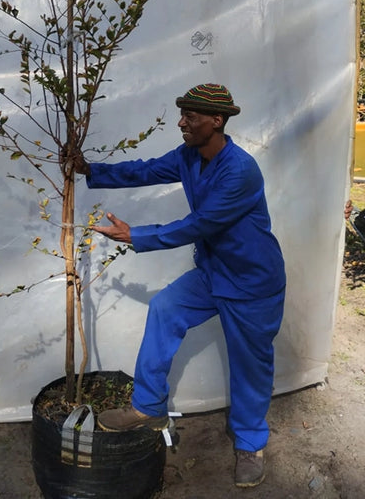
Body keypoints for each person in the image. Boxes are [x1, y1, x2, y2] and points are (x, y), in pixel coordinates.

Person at [73, 83, 286, 489]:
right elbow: (146, 169)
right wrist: (91, 170)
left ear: (217, 121)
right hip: (212, 272)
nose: (181, 122)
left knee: (251, 367)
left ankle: (250, 443)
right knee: (165, 308)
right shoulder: (189, 156)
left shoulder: (240, 170)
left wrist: (138, 236)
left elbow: (200, 224)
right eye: (182, 114)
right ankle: (148, 406)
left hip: (252, 282)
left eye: (191, 116)